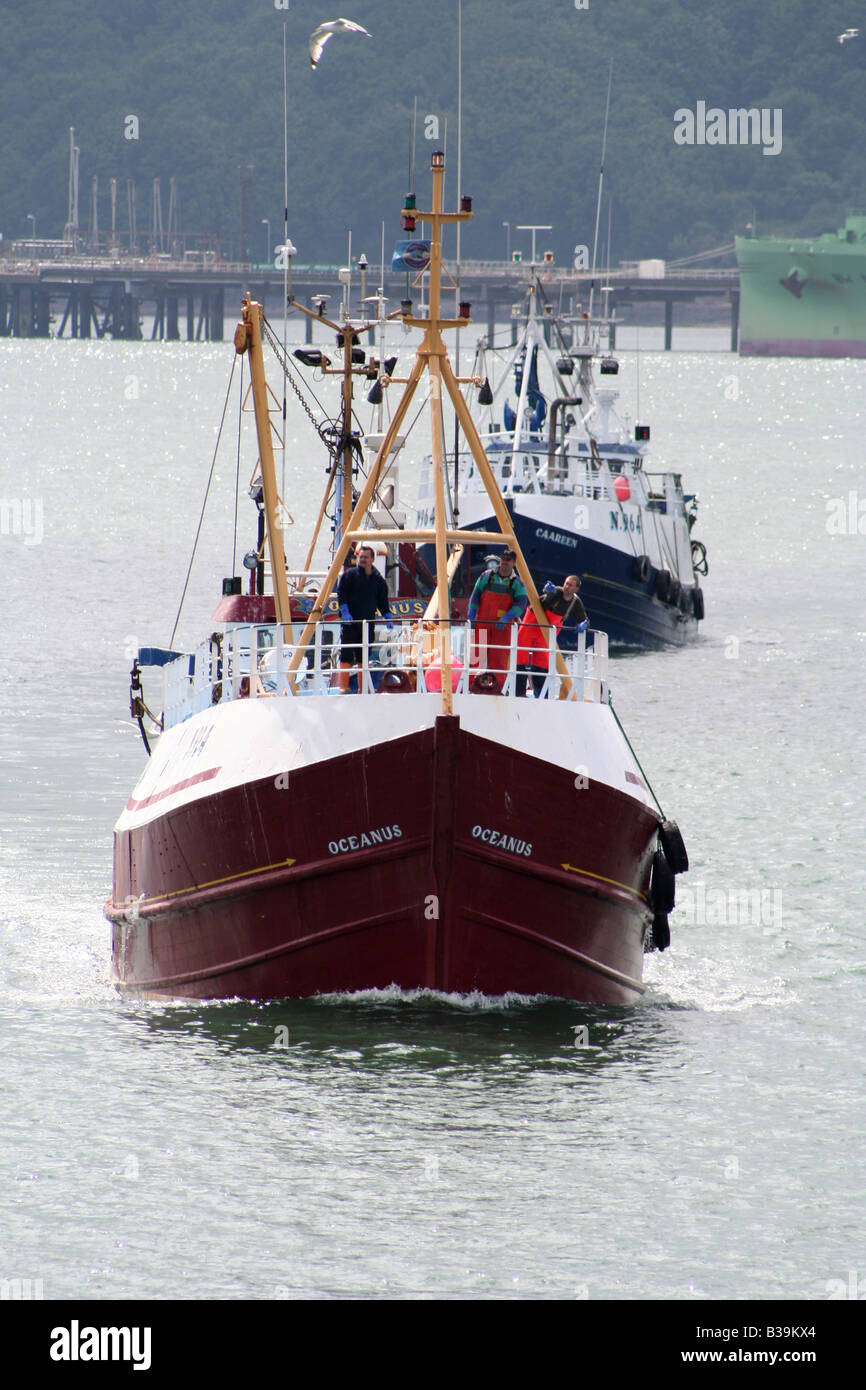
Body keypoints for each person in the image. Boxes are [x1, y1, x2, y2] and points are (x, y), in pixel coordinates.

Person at [516, 574, 588, 697]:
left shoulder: (575, 602)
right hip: (532, 622)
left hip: (547, 630)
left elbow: (583, 619)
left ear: (576, 589)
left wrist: (584, 624)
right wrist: (548, 592)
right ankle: (518, 693)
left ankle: (542, 695)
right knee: (519, 655)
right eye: (566, 583)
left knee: (542, 661)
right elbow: (545, 598)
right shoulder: (557, 591)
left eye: (570, 585)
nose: (566, 587)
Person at [336, 544, 393, 691]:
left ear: (372, 559)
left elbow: (382, 601)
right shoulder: (349, 575)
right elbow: (341, 593)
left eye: (365, 557)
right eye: (360, 557)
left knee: (364, 656)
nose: (362, 559)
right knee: (346, 654)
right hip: (350, 623)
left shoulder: (378, 580)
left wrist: (387, 615)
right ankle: (343, 687)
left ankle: (362, 689)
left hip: (367, 623)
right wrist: (345, 611)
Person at [467, 549, 528, 687]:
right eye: (503, 559)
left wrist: (507, 617)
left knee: (499, 658)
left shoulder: (517, 583)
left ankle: (497, 688)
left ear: (514, 563)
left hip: (503, 628)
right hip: (482, 623)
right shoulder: (486, 576)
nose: (505, 562)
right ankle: (473, 686)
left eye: (508, 560)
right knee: (477, 656)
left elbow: (521, 605)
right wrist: (471, 615)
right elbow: (475, 596)